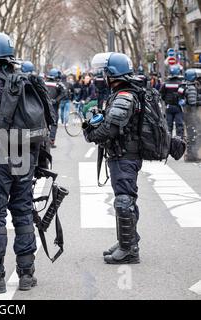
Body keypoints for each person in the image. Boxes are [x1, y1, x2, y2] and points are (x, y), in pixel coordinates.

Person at [0, 31, 56, 294]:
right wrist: (40, 159)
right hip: (26, 156)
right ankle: (27, 273)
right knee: (23, 211)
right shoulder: (26, 80)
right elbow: (44, 124)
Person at [84, 52, 143, 265]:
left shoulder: (124, 96)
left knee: (124, 200)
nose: (103, 77)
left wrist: (90, 132)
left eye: (105, 73)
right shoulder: (121, 93)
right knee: (125, 199)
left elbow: (110, 129)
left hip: (125, 155)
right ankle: (127, 241)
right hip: (122, 154)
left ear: (112, 74)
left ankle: (129, 250)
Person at [181, 69, 201, 162]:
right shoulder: (192, 88)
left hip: (187, 114)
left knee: (191, 134)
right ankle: (192, 156)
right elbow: (193, 103)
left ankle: (191, 155)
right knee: (194, 134)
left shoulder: (187, 86)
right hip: (191, 114)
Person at [160, 65, 185, 138]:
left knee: (168, 126)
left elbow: (161, 93)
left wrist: (166, 101)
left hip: (169, 107)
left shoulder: (166, 83)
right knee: (179, 125)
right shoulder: (181, 83)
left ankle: (168, 143)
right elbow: (183, 95)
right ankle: (180, 142)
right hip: (178, 107)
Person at [45, 68, 64, 148]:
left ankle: (44, 141)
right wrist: (56, 100)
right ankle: (51, 141)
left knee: (44, 123)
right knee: (54, 124)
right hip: (54, 107)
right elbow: (64, 93)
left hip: (44, 106)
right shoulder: (58, 84)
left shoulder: (43, 83)